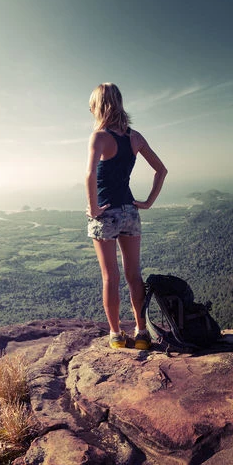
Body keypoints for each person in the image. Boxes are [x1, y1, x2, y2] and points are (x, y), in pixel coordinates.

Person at [86, 83, 168, 349]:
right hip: (130, 212)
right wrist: (148, 202)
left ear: (98, 106)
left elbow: (89, 175)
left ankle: (116, 336)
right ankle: (142, 333)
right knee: (134, 275)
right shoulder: (135, 137)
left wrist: (94, 207)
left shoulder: (99, 136)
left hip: (106, 214)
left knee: (111, 276)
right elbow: (161, 170)